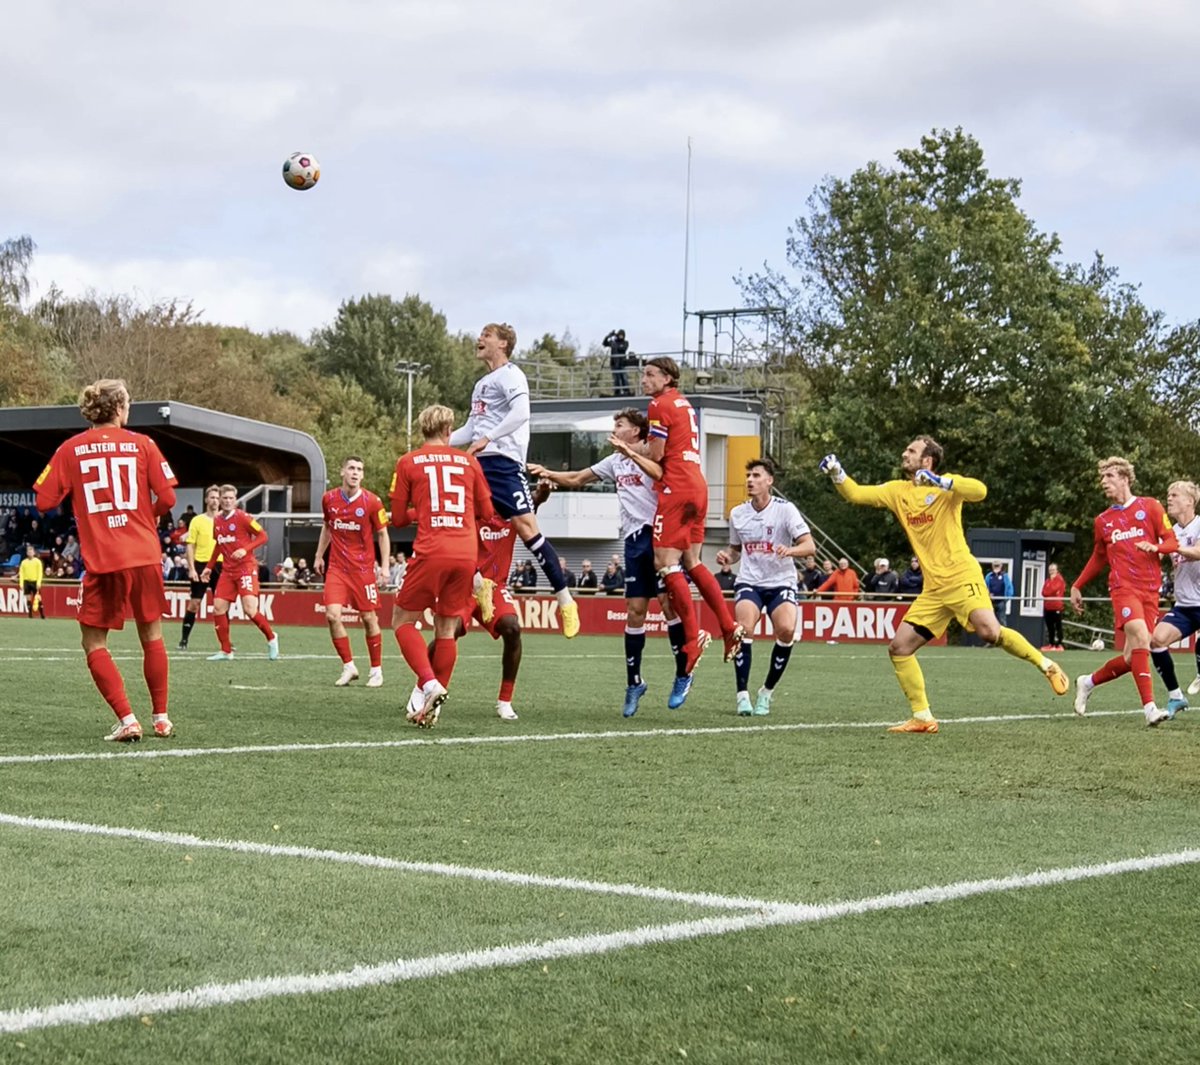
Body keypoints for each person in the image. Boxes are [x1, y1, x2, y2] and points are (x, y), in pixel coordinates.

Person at [819, 438, 1069, 733]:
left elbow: (980, 491)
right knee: (899, 648)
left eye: (911, 450)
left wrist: (942, 482)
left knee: (989, 632)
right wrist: (837, 472)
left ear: (928, 460)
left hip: (962, 576)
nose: (904, 453)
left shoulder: (947, 486)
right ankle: (922, 717)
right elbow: (857, 493)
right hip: (934, 589)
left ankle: (1047, 665)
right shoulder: (897, 491)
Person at [33, 378, 177, 741]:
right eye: (127, 402)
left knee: (94, 643)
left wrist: (83, 504)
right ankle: (161, 718)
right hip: (144, 553)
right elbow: (168, 499)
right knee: (152, 634)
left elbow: (44, 502)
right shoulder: (144, 444)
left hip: (104, 557)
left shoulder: (71, 448)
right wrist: (150, 513)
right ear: (118, 408)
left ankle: (128, 719)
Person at [531, 407, 685, 716]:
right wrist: (546, 472)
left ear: (637, 432)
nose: (614, 428)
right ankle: (634, 683)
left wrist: (631, 452)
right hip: (632, 540)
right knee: (635, 612)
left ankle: (683, 674)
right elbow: (576, 478)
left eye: (620, 424)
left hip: (658, 536)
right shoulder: (614, 462)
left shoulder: (652, 454)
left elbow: (663, 474)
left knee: (669, 606)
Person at [449, 322, 579, 638]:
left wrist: (488, 439)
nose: (479, 338)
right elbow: (471, 429)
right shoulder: (481, 384)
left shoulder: (512, 375)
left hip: (504, 465)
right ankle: (479, 583)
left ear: (504, 343)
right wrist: (437, 442)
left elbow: (521, 413)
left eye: (487, 335)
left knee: (527, 530)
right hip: (477, 466)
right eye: (480, 333)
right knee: (457, 527)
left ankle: (566, 602)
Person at [633, 356, 743, 675]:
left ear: (667, 378)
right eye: (644, 374)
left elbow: (656, 456)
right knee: (692, 563)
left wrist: (628, 449)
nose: (644, 380)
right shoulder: (683, 403)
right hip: (699, 484)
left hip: (677, 486)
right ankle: (727, 626)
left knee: (665, 563)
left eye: (651, 374)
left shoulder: (659, 405)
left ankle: (693, 638)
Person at [391, 403, 495, 727]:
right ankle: (430, 708)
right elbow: (488, 513)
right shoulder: (469, 462)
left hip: (431, 550)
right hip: (465, 553)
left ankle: (429, 683)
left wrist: (421, 513)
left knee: (402, 621)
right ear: (449, 431)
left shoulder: (408, 462)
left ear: (423, 430)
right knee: (446, 629)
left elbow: (396, 519)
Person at [1070, 457, 1177, 726]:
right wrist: (1077, 585)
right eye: (1102, 477)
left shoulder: (1150, 506)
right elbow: (1098, 557)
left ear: (1125, 479)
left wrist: (1157, 548)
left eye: (1109, 476)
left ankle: (1088, 681)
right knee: (1143, 637)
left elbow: (1171, 540)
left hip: (1150, 590)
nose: (1104, 482)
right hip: (1122, 588)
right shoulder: (1103, 520)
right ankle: (1150, 709)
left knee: (1133, 657)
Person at [716, 458, 816, 717]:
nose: (750, 480)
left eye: (756, 475)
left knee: (786, 630)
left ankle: (766, 693)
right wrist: (728, 557)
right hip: (750, 580)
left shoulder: (785, 510)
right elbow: (737, 550)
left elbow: (809, 546)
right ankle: (742, 696)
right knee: (744, 629)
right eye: (748, 475)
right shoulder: (738, 513)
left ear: (769, 481)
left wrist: (790, 550)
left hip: (781, 581)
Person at [314, 456, 391, 689]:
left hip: (363, 570)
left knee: (369, 618)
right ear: (342, 472)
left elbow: (383, 534)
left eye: (359, 469)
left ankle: (376, 670)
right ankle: (349, 666)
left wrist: (385, 566)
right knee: (332, 615)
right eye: (351, 468)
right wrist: (319, 555)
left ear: (363, 475)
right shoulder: (329, 499)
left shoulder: (372, 502)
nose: (355, 473)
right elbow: (327, 527)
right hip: (337, 568)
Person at [202, 484, 279, 662]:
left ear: (235, 500)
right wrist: (208, 566)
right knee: (218, 608)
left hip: (245, 568)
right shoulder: (218, 521)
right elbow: (218, 546)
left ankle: (271, 637)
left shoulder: (243, 517)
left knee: (250, 609)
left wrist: (245, 549)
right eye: (225, 498)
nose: (228, 501)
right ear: (219, 500)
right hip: (227, 571)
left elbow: (263, 536)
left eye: (231, 498)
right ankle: (226, 650)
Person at [1148, 480, 1200, 719]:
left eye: (1175, 495)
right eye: (1168, 494)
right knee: (1156, 641)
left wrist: (1169, 547)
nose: (1169, 498)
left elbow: (1197, 552)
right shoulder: (1171, 533)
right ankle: (1176, 696)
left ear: (1190, 500)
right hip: (1186, 606)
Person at [179, 485, 221, 650]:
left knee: (221, 605)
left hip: (220, 565)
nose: (215, 501)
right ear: (206, 500)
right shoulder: (197, 520)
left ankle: (225, 643)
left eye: (217, 498)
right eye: (212, 497)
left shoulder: (225, 519)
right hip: (201, 563)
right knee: (195, 603)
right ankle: (184, 640)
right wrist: (191, 568)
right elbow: (190, 545)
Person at [1041, 563, 1066, 651]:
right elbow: (1044, 592)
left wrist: (1049, 591)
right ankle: (1051, 644)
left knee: (1058, 626)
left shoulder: (1059, 579)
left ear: (1057, 570)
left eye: (1053, 570)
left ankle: (1059, 644)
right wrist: (1049, 592)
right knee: (1050, 626)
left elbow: (1053, 589)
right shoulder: (1048, 580)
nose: (1051, 571)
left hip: (1057, 606)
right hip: (1048, 606)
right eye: (1050, 570)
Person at [18, 544, 45, 619]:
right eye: (28, 551)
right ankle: (30, 614)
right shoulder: (23, 562)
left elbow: (40, 573)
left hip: (35, 582)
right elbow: (21, 574)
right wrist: (21, 584)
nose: (30, 553)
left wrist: (39, 582)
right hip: (27, 582)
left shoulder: (38, 562)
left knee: (38, 598)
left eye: (31, 551)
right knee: (28, 598)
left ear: (34, 552)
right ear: (27, 553)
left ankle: (42, 614)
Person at [603, 328, 632, 397]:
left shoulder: (625, 342)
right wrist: (608, 336)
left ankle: (626, 391)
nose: (621, 336)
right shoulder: (614, 342)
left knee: (624, 377)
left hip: (622, 363)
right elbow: (604, 343)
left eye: (622, 335)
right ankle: (617, 391)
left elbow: (622, 348)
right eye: (620, 335)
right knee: (616, 378)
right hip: (614, 363)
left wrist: (615, 344)